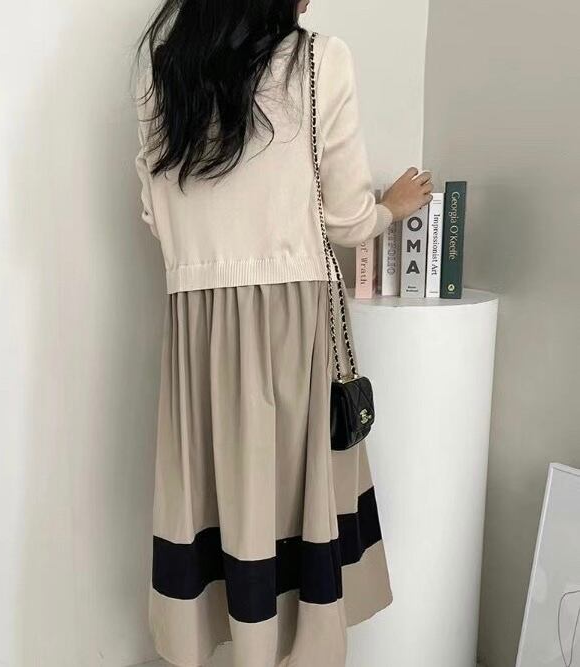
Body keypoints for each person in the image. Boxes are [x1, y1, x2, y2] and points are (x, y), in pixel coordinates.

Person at [134, 1, 433, 665]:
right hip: (289, 317)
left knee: (218, 492)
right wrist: (391, 207)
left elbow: (154, 212)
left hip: (197, 325)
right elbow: (346, 219)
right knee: (291, 497)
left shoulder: (165, 71)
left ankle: (231, 641)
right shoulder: (318, 59)